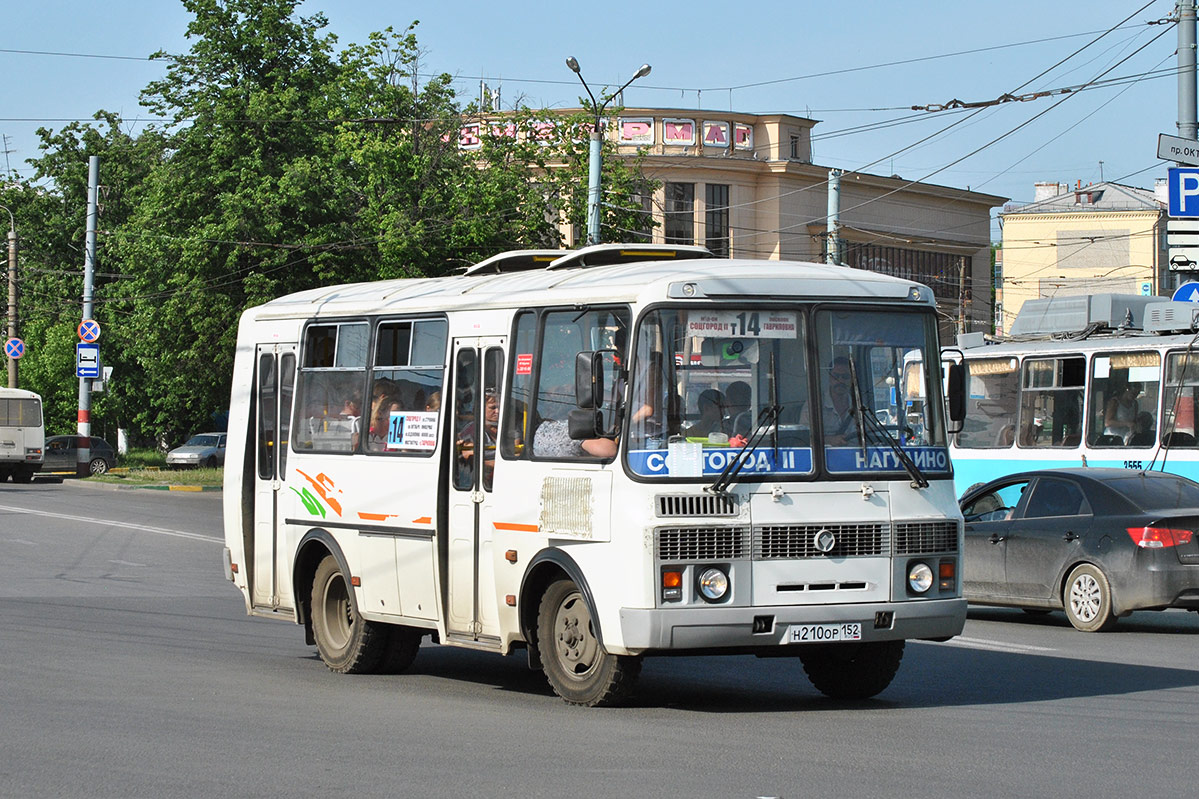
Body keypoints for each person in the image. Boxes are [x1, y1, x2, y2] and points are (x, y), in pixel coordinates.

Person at [822, 356, 859, 445]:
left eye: (845, 376)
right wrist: (829, 440)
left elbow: (872, 434)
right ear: (829, 378)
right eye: (836, 376)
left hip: (857, 456)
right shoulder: (814, 406)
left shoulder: (860, 406)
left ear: (851, 380)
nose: (840, 380)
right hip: (824, 457)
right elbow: (805, 438)